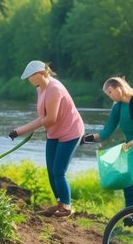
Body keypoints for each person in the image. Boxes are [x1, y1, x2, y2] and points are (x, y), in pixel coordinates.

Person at [8, 60, 85, 217]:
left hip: (70, 132)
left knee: (58, 171)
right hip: (54, 133)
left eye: (31, 76)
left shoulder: (54, 89)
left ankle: (67, 207)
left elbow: (51, 119)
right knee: (51, 171)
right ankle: (60, 203)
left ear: (42, 73)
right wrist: (27, 128)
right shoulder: (40, 89)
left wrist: (20, 130)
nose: (29, 80)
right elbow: (43, 116)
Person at [84, 76, 133, 217]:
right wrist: (84, 139)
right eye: (107, 94)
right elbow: (106, 131)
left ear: (119, 87)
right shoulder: (118, 107)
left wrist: (128, 145)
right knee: (128, 186)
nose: (110, 96)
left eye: (110, 92)